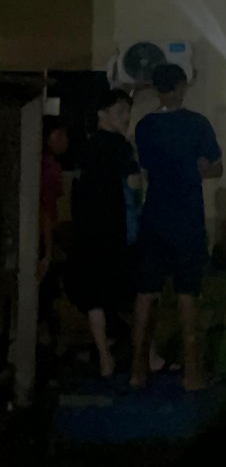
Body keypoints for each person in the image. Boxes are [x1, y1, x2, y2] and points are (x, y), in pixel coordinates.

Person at [130, 63, 223, 391]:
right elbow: (215, 167)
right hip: (187, 219)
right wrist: (200, 168)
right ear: (182, 86)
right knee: (187, 294)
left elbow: (145, 167)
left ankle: (137, 369)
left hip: (154, 216)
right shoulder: (197, 124)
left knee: (146, 294)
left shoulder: (145, 127)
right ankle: (192, 372)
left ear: (157, 89)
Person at [65, 90, 139, 377]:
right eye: (120, 111)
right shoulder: (120, 147)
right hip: (114, 231)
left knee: (94, 295)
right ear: (102, 113)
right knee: (131, 292)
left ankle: (104, 355)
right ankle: (142, 354)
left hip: (87, 231)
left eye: (127, 111)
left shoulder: (86, 147)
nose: (126, 117)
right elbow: (134, 185)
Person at [38, 119, 70, 353]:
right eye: (63, 135)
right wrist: (48, 251)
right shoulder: (49, 168)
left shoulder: (43, 164)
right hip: (43, 238)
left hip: (43, 236)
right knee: (46, 292)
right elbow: (47, 211)